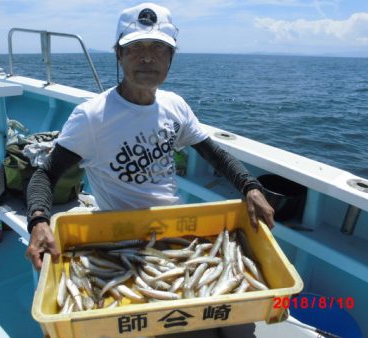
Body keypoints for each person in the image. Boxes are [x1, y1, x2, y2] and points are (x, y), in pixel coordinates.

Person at [25, 2, 274, 270]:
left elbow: (213, 154)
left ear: (171, 57)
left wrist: (250, 187)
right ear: (119, 55)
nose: (147, 57)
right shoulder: (92, 117)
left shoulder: (175, 105)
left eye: (158, 48)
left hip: (175, 225)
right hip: (121, 238)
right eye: (135, 48)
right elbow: (45, 174)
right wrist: (38, 220)